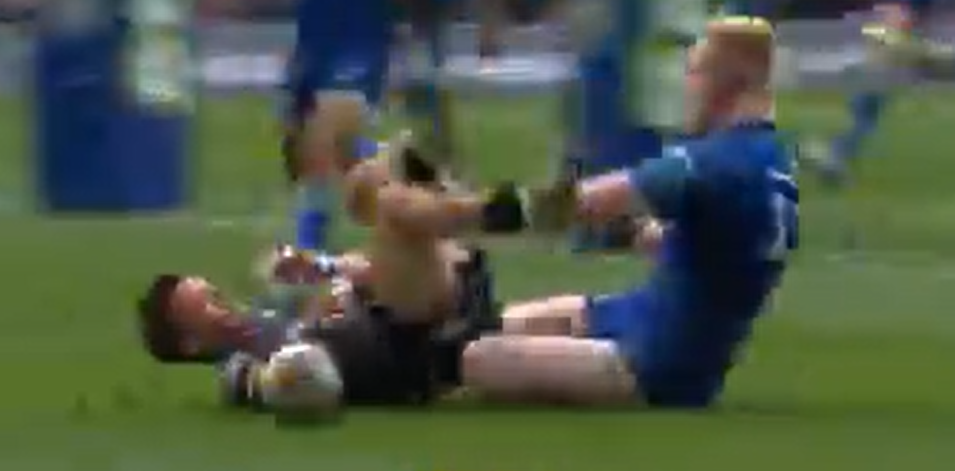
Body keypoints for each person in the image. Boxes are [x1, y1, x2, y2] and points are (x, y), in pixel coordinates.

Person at [386, 16, 799, 407]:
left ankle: (395, 371)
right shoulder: (770, 158)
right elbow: (717, 250)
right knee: (499, 321)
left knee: (475, 357)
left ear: (730, 81)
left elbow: (573, 207)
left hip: (652, 362)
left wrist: (451, 212)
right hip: (650, 317)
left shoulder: (711, 162)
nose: (686, 88)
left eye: (695, 73)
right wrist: (633, 234)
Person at [281, 0, 505, 251]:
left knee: (327, 137)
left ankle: (308, 249)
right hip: (317, 30)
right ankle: (443, 192)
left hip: (364, 30)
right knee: (317, 146)